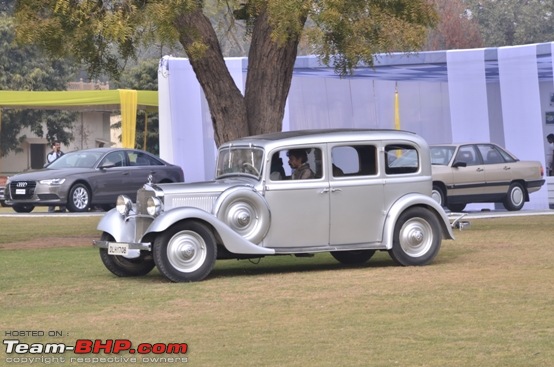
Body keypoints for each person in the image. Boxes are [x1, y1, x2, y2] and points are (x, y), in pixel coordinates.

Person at [46, 141, 66, 212]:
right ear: (53, 146)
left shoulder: (63, 155)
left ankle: (63, 209)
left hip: (61, 176)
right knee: (52, 192)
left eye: (59, 145)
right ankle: (51, 209)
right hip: (53, 177)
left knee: (62, 191)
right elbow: (52, 161)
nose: (58, 146)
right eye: (57, 145)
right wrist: (54, 152)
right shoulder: (50, 155)